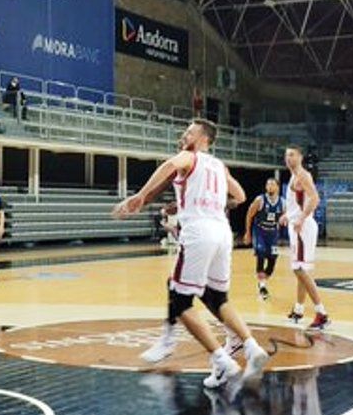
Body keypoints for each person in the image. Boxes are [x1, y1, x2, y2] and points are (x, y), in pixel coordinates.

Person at [113, 119, 269, 390]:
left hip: (199, 232)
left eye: (190, 132)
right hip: (222, 233)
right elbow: (241, 196)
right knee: (217, 297)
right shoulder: (219, 165)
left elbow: (170, 165)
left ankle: (220, 358)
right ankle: (251, 346)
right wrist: (200, 201)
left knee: (180, 299)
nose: (185, 135)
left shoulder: (189, 156)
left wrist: (139, 196)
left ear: (204, 138)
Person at [283, 145, 330, 330]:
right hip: (297, 225)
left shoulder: (303, 175)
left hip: (302, 228)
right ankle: (299, 309)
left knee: (299, 270)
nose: (288, 158)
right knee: (300, 270)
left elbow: (315, 198)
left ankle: (321, 312)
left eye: (292, 154)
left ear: (300, 157)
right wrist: (288, 214)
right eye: (286, 155)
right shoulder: (294, 175)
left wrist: (301, 218)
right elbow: (298, 202)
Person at [243, 178, 284, 301]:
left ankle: (263, 280)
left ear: (277, 187)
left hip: (273, 233)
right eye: (268, 184)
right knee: (260, 255)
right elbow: (249, 215)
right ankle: (262, 286)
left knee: (272, 260)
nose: (269, 186)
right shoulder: (260, 200)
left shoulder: (283, 202)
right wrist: (248, 232)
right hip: (260, 231)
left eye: (272, 184)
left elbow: (285, 217)